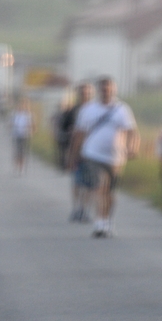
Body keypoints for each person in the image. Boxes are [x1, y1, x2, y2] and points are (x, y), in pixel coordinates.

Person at [68, 77, 140, 238]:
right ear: (99, 91)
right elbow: (79, 134)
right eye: (103, 88)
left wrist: (132, 147)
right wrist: (73, 155)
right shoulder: (88, 110)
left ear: (114, 90)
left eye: (109, 88)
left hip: (116, 157)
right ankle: (100, 224)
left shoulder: (122, 109)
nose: (106, 91)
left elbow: (132, 132)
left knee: (110, 193)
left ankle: (108, 221)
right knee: (100, 187)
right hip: (93, 154)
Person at [62, 83, 95, 222]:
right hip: (76, 150)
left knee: (90, 183)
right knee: (76, 182)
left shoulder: (96, 110)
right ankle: (76, 208)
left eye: (87, 93)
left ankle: (85, 209)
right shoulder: (73, 111)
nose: (85, 95)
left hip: (93, 151)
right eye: (83, 93)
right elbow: (64, 129)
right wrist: (70, 152)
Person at [10, 98, 35, 175]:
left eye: (23, 106)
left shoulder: (28, 115)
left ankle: (22, 167)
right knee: (17, 151)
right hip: (16, 134)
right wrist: (13, 126)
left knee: (23, 151)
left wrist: (29, 129)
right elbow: (10, 124)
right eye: (20, 105)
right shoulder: (14, 114)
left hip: (25, 135)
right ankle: (16, 167)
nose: (21, 107)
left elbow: (32, 126)